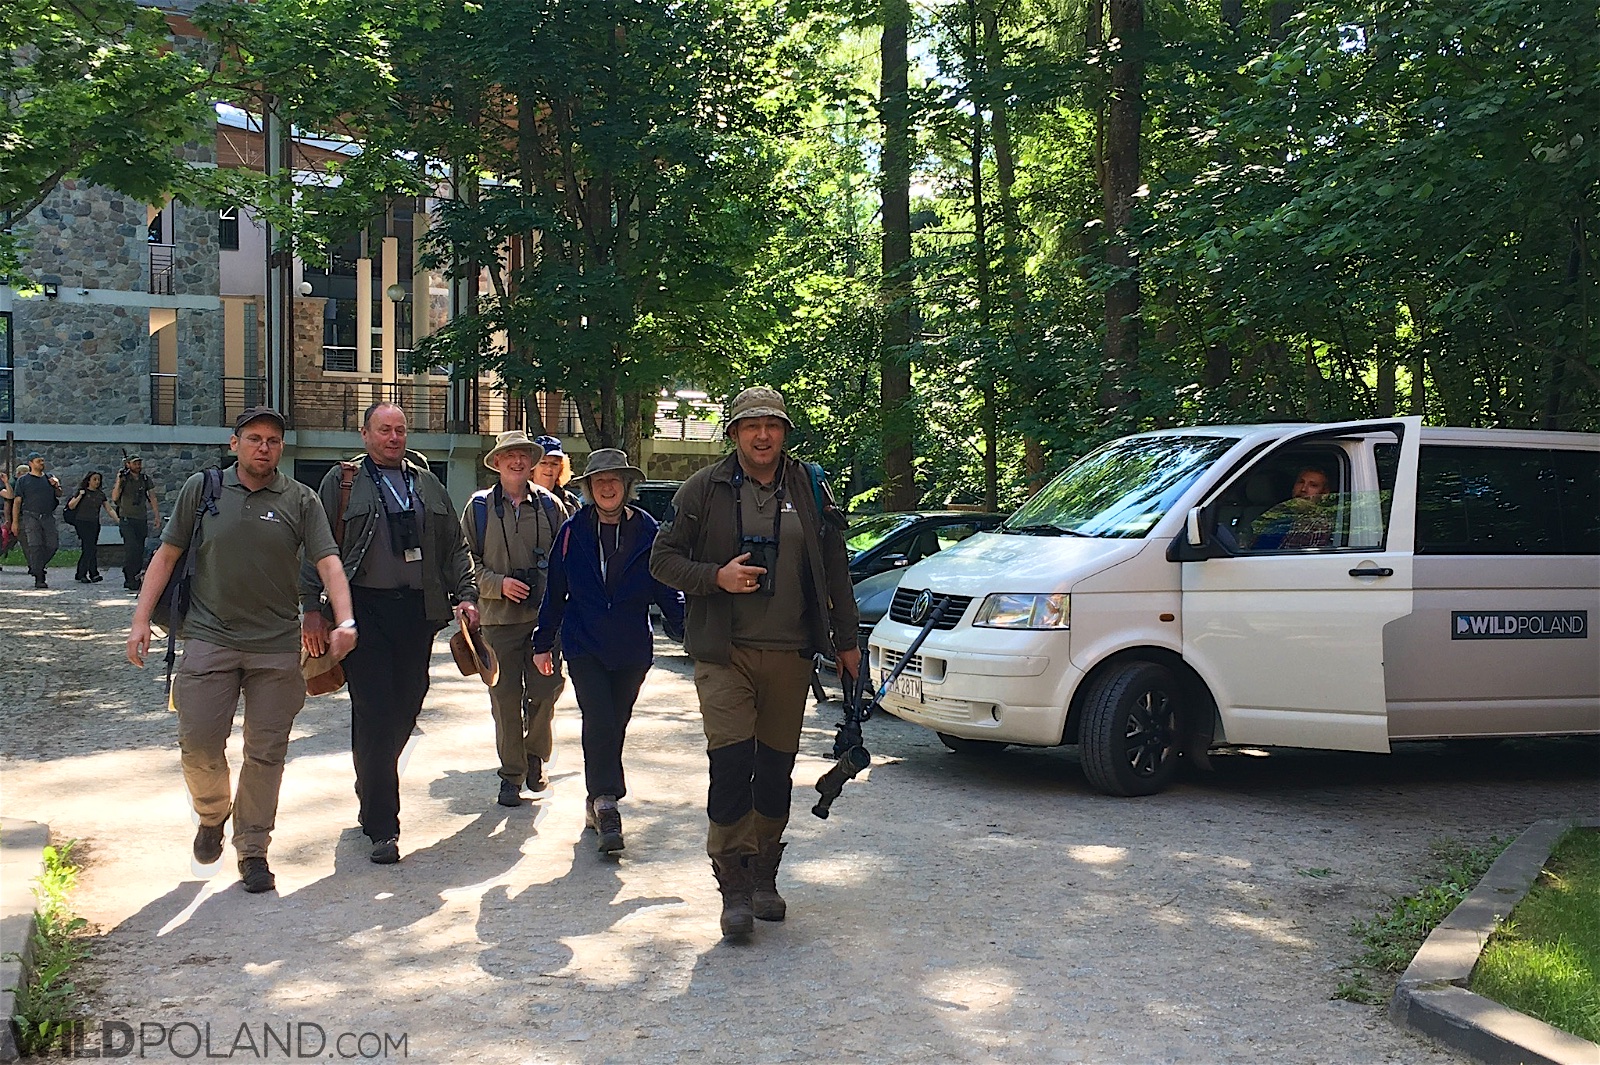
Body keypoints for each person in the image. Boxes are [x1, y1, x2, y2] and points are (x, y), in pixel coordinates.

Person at [650, 387, 859, 939]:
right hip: (726, 654)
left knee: (774, 772)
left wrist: (847, 640)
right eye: (750, 426)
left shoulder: (810, 485)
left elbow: (834, 566)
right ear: (734, 433)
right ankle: (734, 885)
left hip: (791, 654)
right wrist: (715, 577)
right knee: (730, 766)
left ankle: (765, 871)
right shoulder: (704, 488)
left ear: (785, 432)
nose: (762, 435)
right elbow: (662, 560)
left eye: (772, 425)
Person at [126, 408, 357, 894]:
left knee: (266, 753)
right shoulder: (203, 489)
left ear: (281, 448)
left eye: (273, 440)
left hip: (275, 648)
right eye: (254, 439)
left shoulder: (301, 499)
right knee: (200, 747)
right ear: (235, 444)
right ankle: (212, 815)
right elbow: (166, 556)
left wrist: (345, 619)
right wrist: (141, 620)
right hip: (209, 640)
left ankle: (253, 849)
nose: (264, 448)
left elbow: (329, 561)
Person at [301, 402, 479, 865]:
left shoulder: (427, 482)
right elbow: (318, 549)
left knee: (408, 703)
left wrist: (468, 594)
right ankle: (384, 826)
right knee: (376, 709)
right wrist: (312, 610)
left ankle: (370, 776)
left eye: (400, 430)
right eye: (384, 430)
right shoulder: (341, 483)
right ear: (365, 435)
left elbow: (454, 546)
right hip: (363, 609)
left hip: (418, 612)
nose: (394, 437)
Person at [533, 449, 685, 855]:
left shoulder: (648, 531)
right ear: (588, 488)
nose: (607, 487)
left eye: (615, 480)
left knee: (615, 723)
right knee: (598, 718)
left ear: (626, 487)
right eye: (599, 481)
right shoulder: (571, 532)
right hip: (584, 643)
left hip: (632, 646)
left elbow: (665, 586)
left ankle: (595, 799)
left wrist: (688, 630)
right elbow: (555, 591)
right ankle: (607, 802)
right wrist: (542, 640)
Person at [463, 430, 574, 808]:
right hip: (498, 621)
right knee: (505, 700)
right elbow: (465, 563)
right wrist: (498, 584)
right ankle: (511, 775)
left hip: (544, 619)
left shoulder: (550, 506)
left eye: (524, 455)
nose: (517, 461)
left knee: (546, 691)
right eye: (509, 455)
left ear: (532, 462)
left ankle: (534, 757)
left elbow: (568, 559)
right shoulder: (478, 508)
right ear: (496, 463)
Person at [1250, 465, 1335, 549]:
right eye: (1300, 482)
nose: (1303, 489)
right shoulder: (1277, 512)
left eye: (1313, 485)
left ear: (1324, 494)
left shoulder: (1320, 524)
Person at [13, 454, 63, 588]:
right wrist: (15, 522)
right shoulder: (23, 480)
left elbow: (59, 494)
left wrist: (56, 486)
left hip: (47, 515)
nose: (41, 463)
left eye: (42, 461)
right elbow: (17, 502)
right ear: (30, 463)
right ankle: (39, 577)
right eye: (38, 461)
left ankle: (37, 567)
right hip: (30, 516)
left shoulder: (49, 478)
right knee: (35, 545)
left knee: (52, 544)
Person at [112, 455, 161, 591]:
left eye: (139, 463)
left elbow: (152, 497)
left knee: (139, 550)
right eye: (135, 463)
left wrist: (157, 516)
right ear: (128, 465)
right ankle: (129, 577)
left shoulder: (145, 479)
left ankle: (136, 577)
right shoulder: (124, 479)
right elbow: (115, 497)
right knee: (131, 549)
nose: (138, 466)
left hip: (141, 518)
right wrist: (119, 480)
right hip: (127, 518)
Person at [67, 471, 117, 582]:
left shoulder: (100, 494)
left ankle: (89, 573)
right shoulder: (82, 492)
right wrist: (80, 495)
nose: (97, 482)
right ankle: (85, 573)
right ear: (89, 480)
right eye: (94, 479)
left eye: (98, 479)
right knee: (89, 547)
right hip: (82, 522)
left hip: (94, 523)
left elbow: (109, 509)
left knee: (91, 548)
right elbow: (71, 505)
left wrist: (118, 520)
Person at [531, 435, 583, 510]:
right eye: (543, 463)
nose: (549, 468)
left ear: (562, 468)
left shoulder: (571, 501)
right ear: (532, 466)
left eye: (554, 464)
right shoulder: (521, 498)